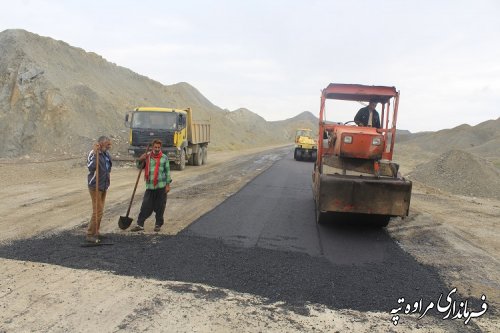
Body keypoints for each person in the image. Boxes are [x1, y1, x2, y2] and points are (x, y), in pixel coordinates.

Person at [130, 139, 172, 232]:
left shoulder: (164, 158)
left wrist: (168, 185)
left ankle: (158, 225)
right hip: (150, 186)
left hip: (161, 186)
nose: (157, 149)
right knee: (145, 205)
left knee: (160, 206)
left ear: (160, 147)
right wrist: (140, 159)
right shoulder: (147, 157)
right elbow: (139, 166)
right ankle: (140, 224)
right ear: (152, 147)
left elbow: (167, 172)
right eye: (155, 147)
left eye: (158, 147)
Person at [86, 136, 113, 243]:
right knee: (98, 210)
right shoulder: (93, 153)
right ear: (101, 144)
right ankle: (90, 234)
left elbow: (108, 169)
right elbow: (90, 167)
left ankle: (96, 231)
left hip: (103, 185)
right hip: (95, 186)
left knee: (100, 210)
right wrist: (95, 153)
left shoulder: (106, 154)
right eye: (108, 144)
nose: (109, 146)